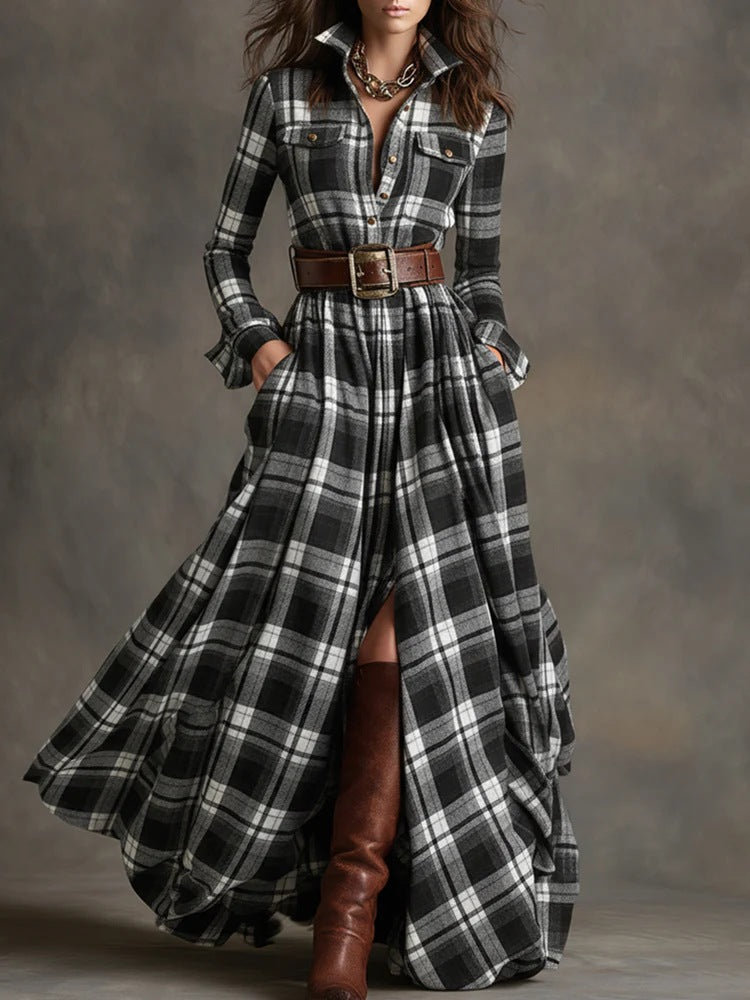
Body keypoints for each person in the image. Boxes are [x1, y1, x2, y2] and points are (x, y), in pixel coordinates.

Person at [22, 2, 580, 997]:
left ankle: (350, 918)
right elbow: (222, 251)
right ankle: (297, 874)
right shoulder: (285, 97)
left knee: (418, 625)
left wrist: (494, 355)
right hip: (323, 377)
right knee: (299, 627)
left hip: (441, 388)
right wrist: (266, 350)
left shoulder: (474, 109)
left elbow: (483, 278)